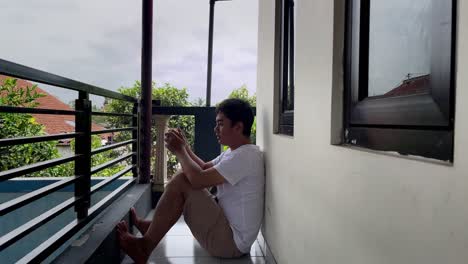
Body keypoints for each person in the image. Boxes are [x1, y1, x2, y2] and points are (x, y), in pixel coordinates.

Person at [117, 98, 264, 263]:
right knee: (184, 175)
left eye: (221, 124)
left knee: (183, 179)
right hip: (227, 233)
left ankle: (144, 247)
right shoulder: (235, 153)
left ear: (238, 127)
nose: (216, 129)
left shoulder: (246, 156)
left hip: (230, 243)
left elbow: (198, 180)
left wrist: (180, 151)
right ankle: (152, 229)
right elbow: (203, 168)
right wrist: (185, 147)